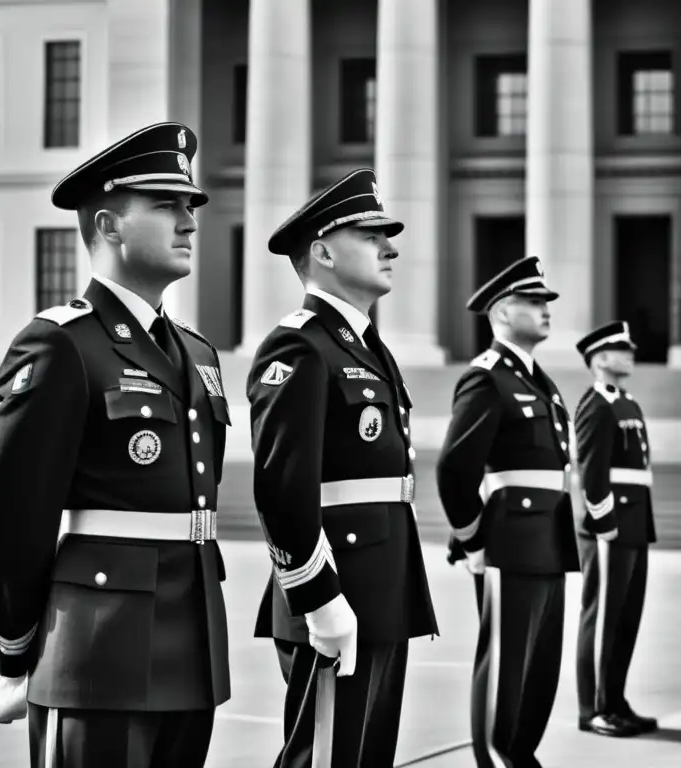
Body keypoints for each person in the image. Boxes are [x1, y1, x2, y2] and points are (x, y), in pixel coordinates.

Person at [0, 122, 231, 766]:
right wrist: (16, 647)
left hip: (192, 646)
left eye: (190, 206)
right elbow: (11, 511)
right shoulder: (62, 343)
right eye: (166, 205)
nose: (189, 222)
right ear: (110, 226)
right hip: (97, 648)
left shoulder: (196, 352)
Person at [247, 168, 438, 768]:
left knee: (363, 755)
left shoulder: (366, 346)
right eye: (370, 234)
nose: (391, 247)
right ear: (323, 252)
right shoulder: (300, 344)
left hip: (380, 582)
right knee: (325, 757)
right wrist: (319, 598)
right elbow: (282, 486)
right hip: (337, 589)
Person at [436, 256, 579, 768]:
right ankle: (496, 756)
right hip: (507, 541)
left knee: (541, 664)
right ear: (500, 312)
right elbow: (455, 472)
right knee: (506, 663)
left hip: (550, 537)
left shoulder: (543, 380)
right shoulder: (487, 379)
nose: (544, 310)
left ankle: (521, 754)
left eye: (545, 302)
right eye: (532, 302)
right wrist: (474, 540)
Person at [572, 321, 658, 738]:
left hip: (635, 525)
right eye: (622, 349)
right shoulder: (596, 405)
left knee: (625, 617)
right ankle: (595, 709)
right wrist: (604, 524)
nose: (631, 354)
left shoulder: (628, 403)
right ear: (600, 359)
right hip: (610, 528)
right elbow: (592, 473)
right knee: (603, 616)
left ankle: (616, 700)